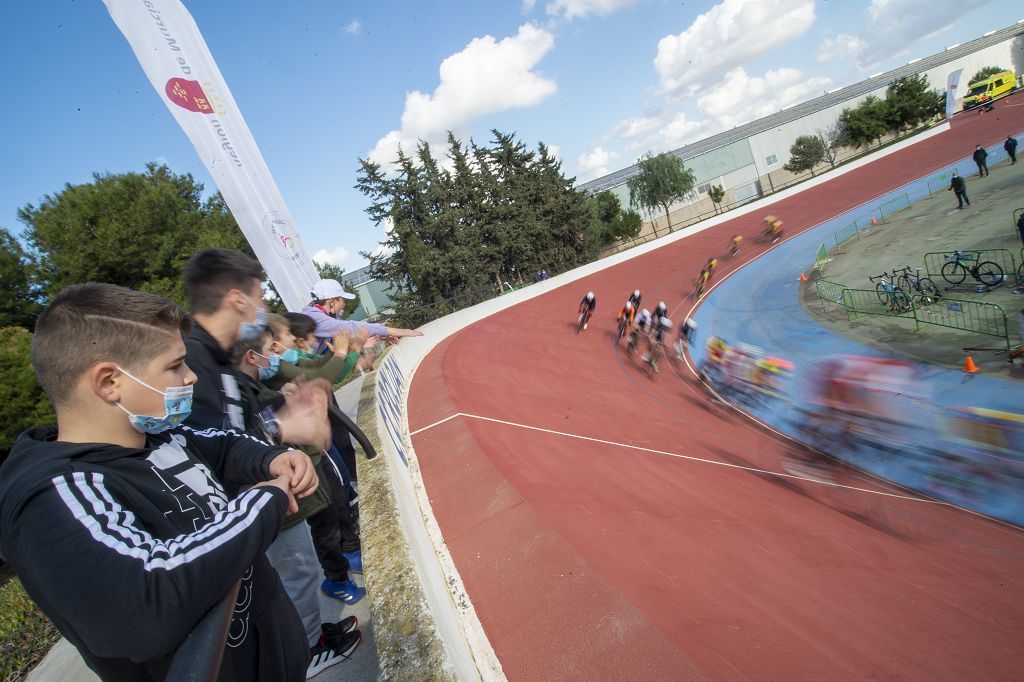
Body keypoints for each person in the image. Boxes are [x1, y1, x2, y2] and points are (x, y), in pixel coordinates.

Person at [0, 283, 315, 680]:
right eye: (175, 366)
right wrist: (261, 503)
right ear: (109, 382)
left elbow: (225, 446)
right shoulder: (56, 496)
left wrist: (271, 458)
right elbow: (147, 602)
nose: (191, 378)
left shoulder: (160, 435)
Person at [181, 249, 361, 677]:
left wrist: (281, 419)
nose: (264, 308)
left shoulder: (217, 361)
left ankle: (307, 639)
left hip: (263, 496)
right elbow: (205, 443)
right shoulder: (198, 364)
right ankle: (306, 652)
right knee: (293, 575)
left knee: (288, 579)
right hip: (248, 505)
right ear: (238, 299)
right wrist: (280, 430)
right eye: (260, 296)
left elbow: (237, 427)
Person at [302, 279, 422, 354]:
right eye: (342, 300)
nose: (344, 304)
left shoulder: (318, 314)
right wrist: (392, 330)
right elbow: (350, 328)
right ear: (332, 302)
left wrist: (381, 337)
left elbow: (345, 338)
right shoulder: (314, 318)